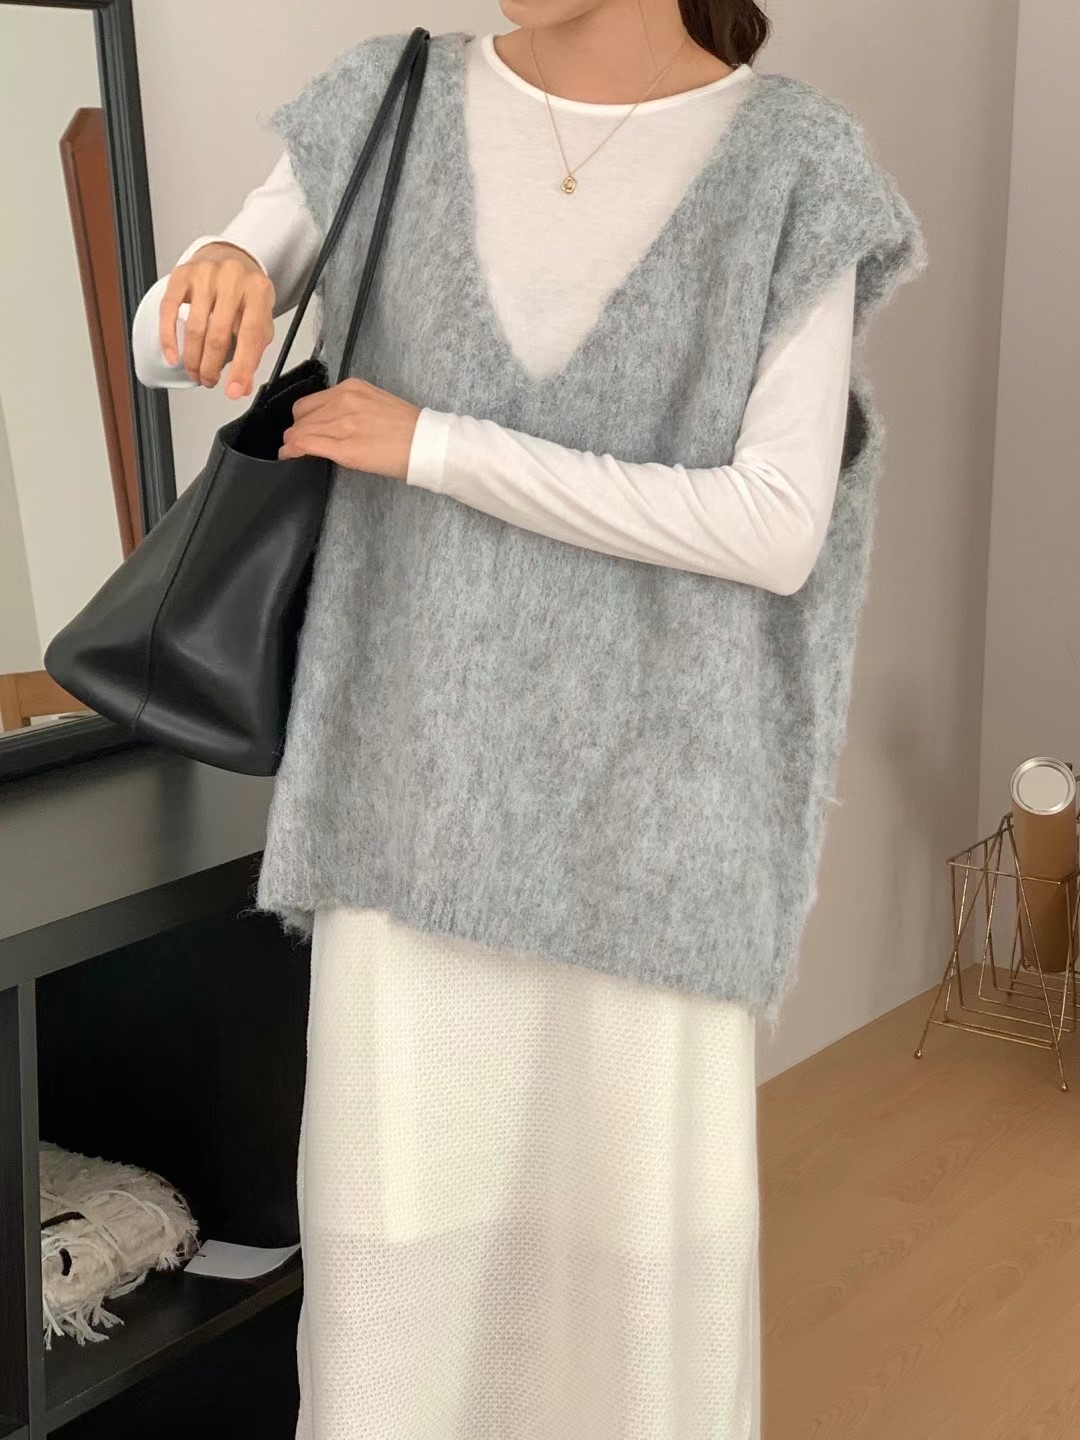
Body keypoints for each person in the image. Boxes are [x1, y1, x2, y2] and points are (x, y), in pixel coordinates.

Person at [132, 3, 926, 1436]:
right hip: (405, 797)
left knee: (635, 1305)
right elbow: (160, 336)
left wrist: (436, 444)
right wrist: (216, 276)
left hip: (655, 827)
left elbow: (775, 525)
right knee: (392, 1294)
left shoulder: (795, 164)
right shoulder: (392, 95)